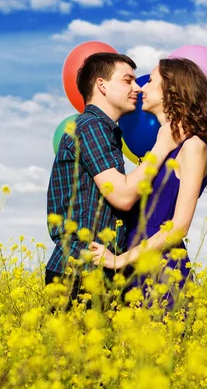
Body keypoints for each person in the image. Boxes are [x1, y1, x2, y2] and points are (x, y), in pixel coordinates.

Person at [45, 52, 184, 310]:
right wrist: (162, 146)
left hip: (97, 268)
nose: (138, 87)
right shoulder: (91, 127)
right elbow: (121, 196)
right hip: (82, 271)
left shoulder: (105, 131)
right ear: (102, 85)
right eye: (128, 80)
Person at [90, 57, 207, 311]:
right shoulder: (159, 149)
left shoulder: (193, 147)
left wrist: (119, 260)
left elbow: (178, 227)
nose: (141, 87)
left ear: (171, 88)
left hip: (160, 269)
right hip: (133, 265)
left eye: (151, 80)